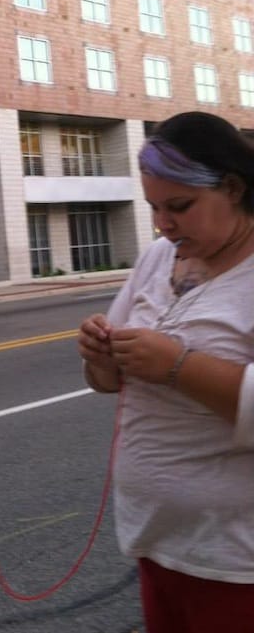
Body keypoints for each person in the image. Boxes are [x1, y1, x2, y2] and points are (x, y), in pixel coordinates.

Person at [77, 111, 254, 633]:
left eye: (180, 206)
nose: (162, 223)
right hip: (156, 542)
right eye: (154, 206)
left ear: (233, 188)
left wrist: (177, 365)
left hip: (236, 559)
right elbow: (109, 383)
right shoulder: (158, 258)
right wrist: (100, 357)